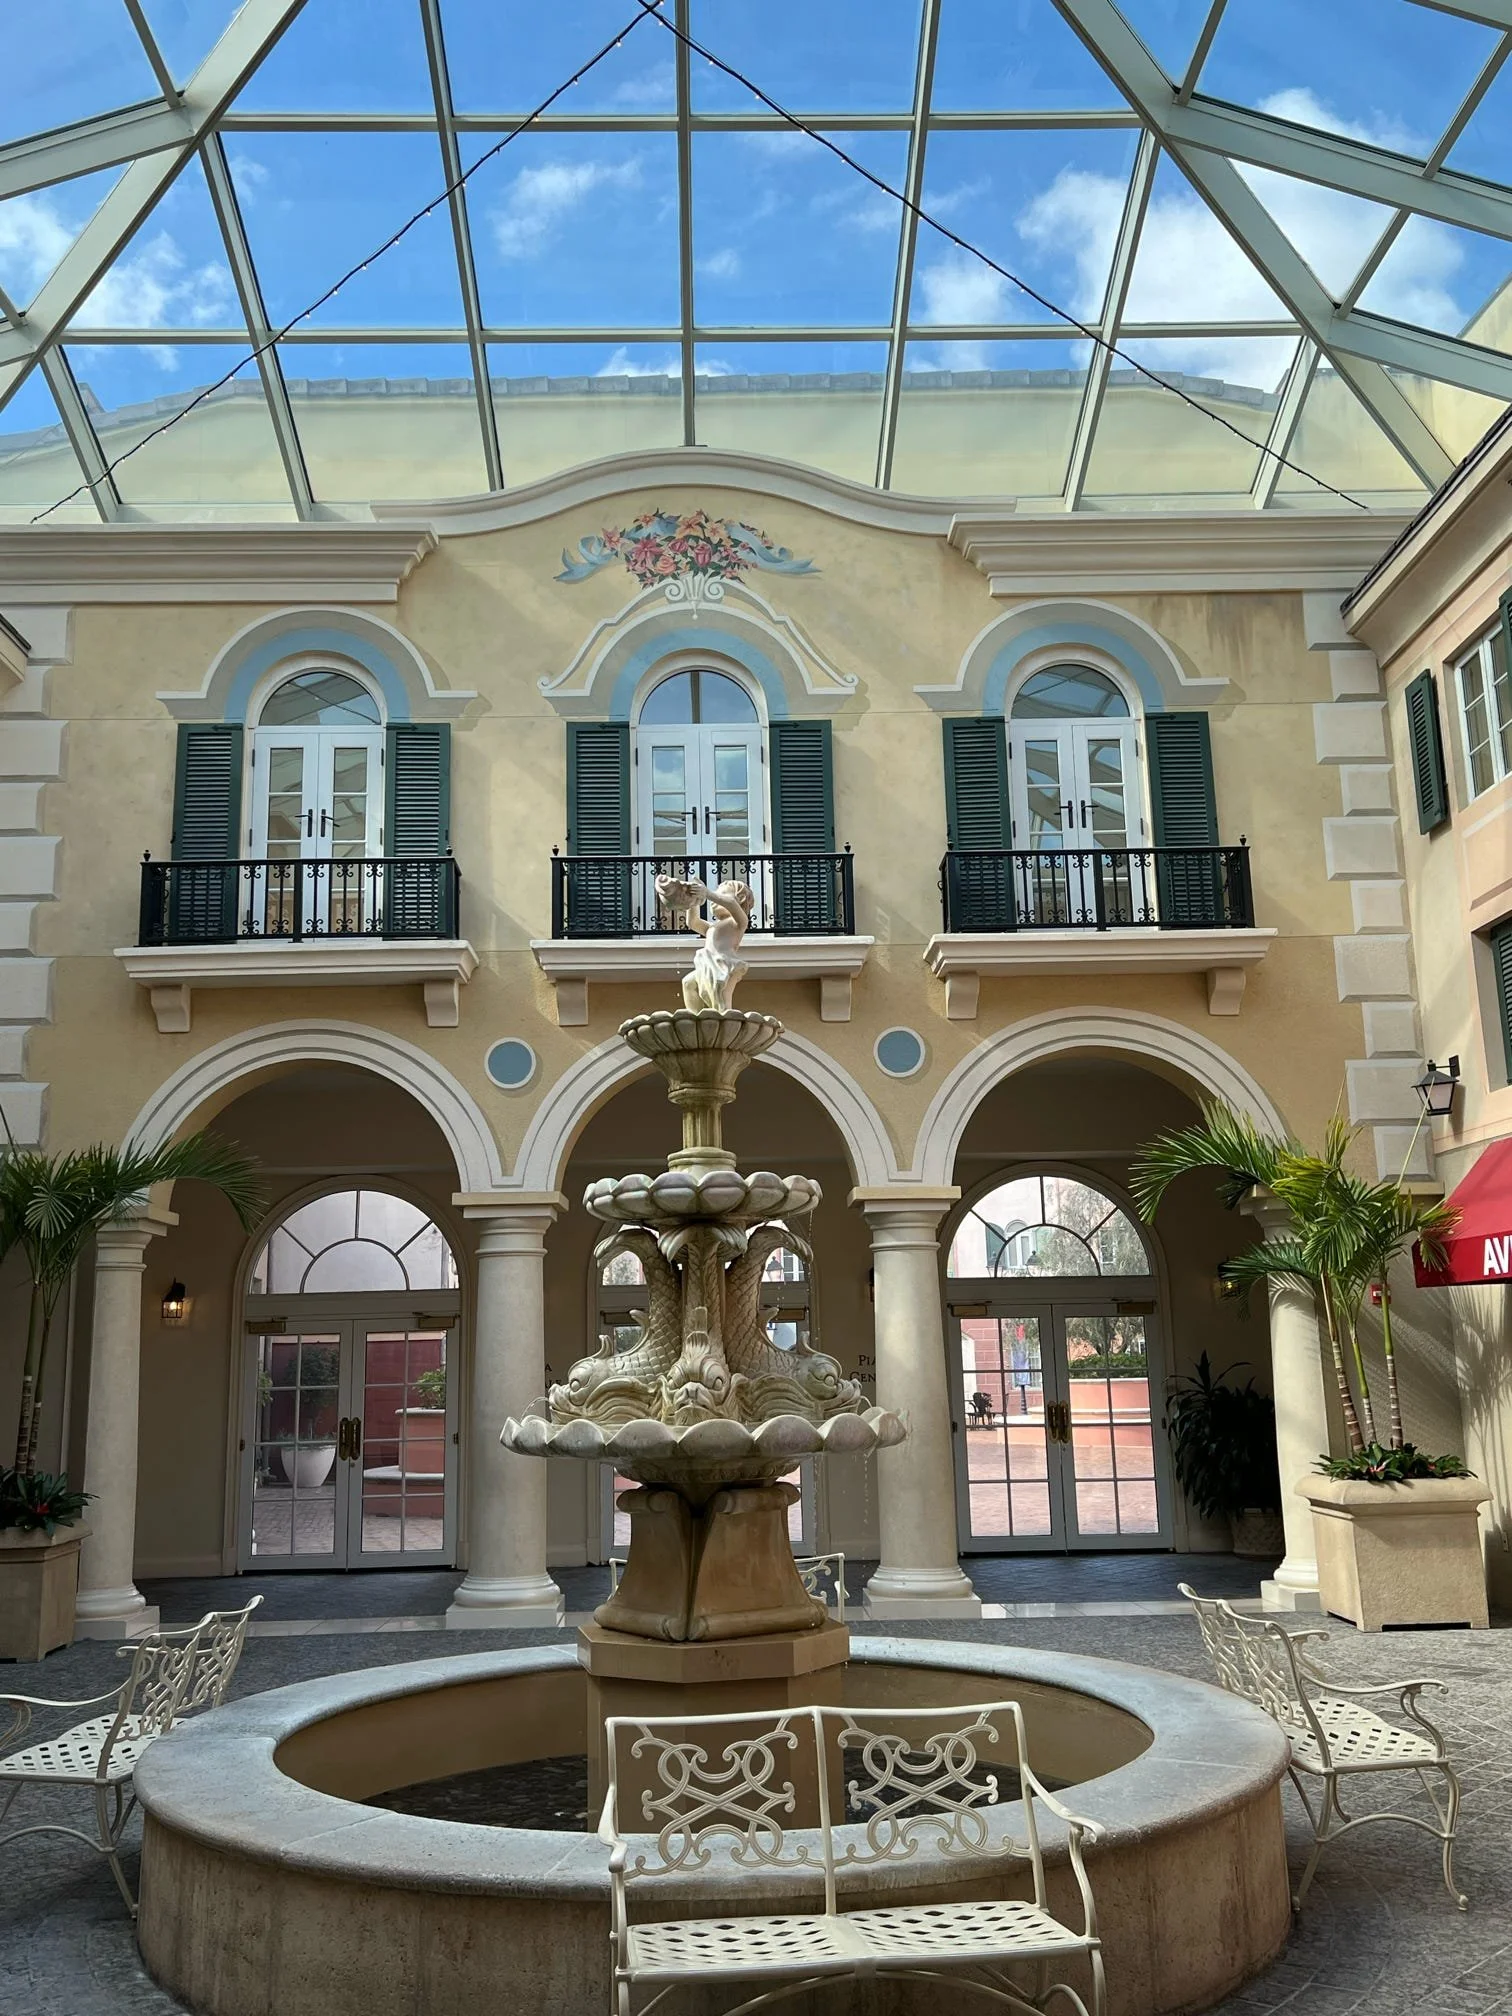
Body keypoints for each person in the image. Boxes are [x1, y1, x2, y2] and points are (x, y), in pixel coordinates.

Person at [655, 873, 755, 1010]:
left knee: (721, 1000)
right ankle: (695, 1018)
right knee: (688, 983)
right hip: (708, 965)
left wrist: (707, 893)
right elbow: (693, 922)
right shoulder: (711, 927)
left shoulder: (738, 923)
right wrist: (692, 901)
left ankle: (724, 1020)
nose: (715, 900)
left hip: (725, 966)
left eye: (721, 895)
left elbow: (731, 903)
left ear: (741, 898)